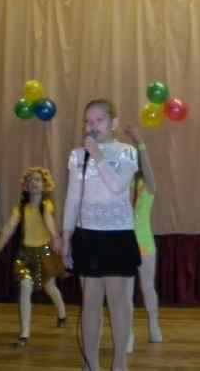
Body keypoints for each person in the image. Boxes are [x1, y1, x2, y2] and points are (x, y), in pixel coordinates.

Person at [61, 99, 140, 371]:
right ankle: (91, 364)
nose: (92, 126)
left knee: (118, 302)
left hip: (117, 234)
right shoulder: (76, 155)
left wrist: (97, 156)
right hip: (88, 235)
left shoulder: (127, 152)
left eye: (99, 120)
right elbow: (72, 198)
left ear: (113, 123)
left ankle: (119, 362)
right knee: (90, 302)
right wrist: (66, 235)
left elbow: (117, 186)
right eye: (88, 121)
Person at [0, 166, 67, 347]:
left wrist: (55, 236)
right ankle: (24, 334)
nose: (34, 183)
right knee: (25, 287)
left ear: (44, 185)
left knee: (50, 286)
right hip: (25, 253)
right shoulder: (20, 209)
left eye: (37, 180)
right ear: (26, 186)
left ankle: (62, 313)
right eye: (30, 180)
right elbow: (8, 229)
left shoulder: (47, 205)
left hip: (45, 251)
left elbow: (49, 220)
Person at [122, 125, 163, 353]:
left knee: (147, 287)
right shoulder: (122, 186)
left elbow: (147, 169)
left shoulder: (148, 185)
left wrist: (140, 143)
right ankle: (128, 333)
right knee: (126, 293)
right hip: (126, 245)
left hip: (145, 244)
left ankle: (153, 323)